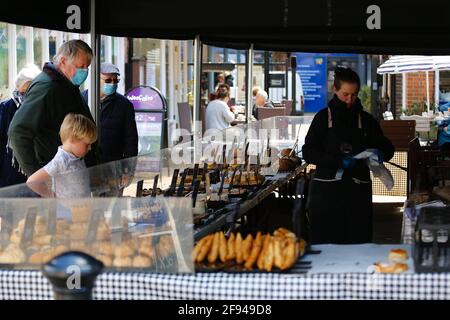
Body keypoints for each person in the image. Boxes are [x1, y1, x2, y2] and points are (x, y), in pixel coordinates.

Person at [302, 67, 394, 244]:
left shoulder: (366, 120)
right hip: (326, 194)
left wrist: (381, 153)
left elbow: (387, 148)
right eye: (345, 94)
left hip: (357, 193)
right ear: (335, 90)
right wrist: (337, 161)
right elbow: (309, 152)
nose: (350, 100)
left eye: (354, 95)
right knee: (325, 243)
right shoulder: (322, 118)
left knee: (358, 241)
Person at [8, 40, 98, 178]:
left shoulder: (67, 85)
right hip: (56, 176)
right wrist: (38, 177)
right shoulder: (46, 88)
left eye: (87, 67)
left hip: (72, 173)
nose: (85, 71)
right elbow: (18, 132)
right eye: (81, 66)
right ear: (63, 61)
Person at [27, 113, 97, 198]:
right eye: (87, 144)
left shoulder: (77, 157)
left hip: (81, 206)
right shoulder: (61, 161)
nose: (89, 148)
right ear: (72, 140)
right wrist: (52, 195)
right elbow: (32, 181)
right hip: (67, 209)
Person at [82, 62, 138, 164]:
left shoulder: (124, 105)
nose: (112, 83)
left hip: (113, 164)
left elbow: (131, 140)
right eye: (108, 80)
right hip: (85, 163)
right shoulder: (82, 99)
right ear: (96, 78)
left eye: (115, 80)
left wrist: (128, 168)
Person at [0, 64, 41, 187]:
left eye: (33, 87)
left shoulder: (41, 107)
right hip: (9, 172)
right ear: (19, 86)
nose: (28, 92)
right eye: (26, 87)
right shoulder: (6, 107)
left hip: (35, 169)